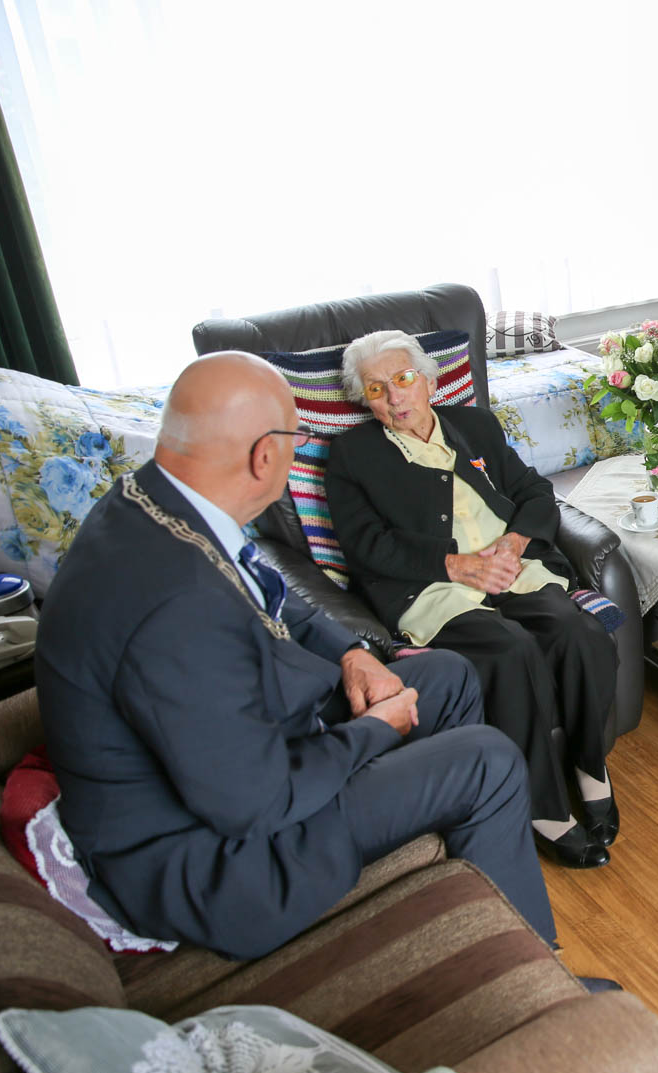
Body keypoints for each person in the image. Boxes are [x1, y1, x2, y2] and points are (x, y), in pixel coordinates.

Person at [35, 353, 558, 957]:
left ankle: (459, 883)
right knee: (487, 760)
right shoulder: (176, 603)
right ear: (265, 456)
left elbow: (279, 600)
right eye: (296, 436)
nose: (299, 449)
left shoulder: (155, 501)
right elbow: (254, 802)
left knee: (447, 673)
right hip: (222, 866)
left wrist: (354, 654)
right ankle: (536, 970)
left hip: (254, 754)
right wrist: (373, 730)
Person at [325, 330, 619, 871]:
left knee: (577, 630)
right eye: (376, 388)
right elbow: (366, 544)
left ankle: (589, 765)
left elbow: (534, 492)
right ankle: (543, 806)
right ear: (365, 400)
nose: (394, 397)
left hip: (511, 569)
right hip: (433, 588)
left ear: (429, 382)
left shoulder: (475, 426)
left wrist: (515, 542)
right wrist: (457, 565)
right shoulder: (351, 455)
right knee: (509, 648)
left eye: (403, 379)